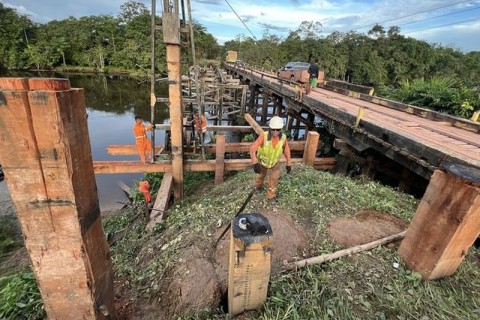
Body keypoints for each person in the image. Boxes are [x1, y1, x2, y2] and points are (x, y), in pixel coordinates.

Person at [250, 116, 292, 204]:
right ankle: (258, 187)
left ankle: (271, 196)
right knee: (260, 176)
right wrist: (255, 162)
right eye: (273, 129)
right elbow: (253, 149)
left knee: (274, 179)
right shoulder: (264, 136)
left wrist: (288, 163)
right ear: (270, 129)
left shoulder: (283, 138)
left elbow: (286, 150)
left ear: (281, 129)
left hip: (275, 162)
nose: (275, 132)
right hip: (262, 162)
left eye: (278, 129)